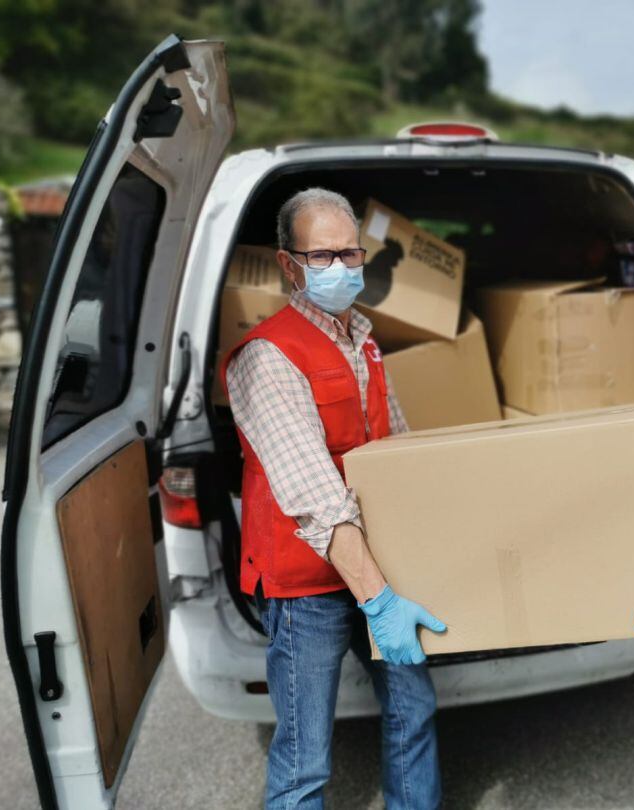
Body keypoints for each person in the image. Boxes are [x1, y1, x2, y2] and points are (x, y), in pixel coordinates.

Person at [224, 188, 444, 810]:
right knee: (304, 757)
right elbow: (315, 494)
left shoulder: (364, 341)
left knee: (415, 709)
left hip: (377, 565)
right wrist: (381, 601)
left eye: (350, 253)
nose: (342, 268)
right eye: (322, 257)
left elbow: (395, 449)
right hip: (307, 586)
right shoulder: (268, 355)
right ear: (288, 265)